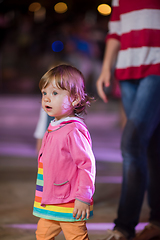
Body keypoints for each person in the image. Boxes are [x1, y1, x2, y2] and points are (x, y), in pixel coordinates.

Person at [96, 0, 160, 240]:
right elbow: (116, 31)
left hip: (156, 67)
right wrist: (106, 68)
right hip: (127, 69)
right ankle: (157, 221)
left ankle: (124, 226)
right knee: (151, 145)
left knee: (131, 143)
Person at [33, 64, 96, 240]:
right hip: (51, 201)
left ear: (75, 99)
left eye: (54, 93)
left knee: (76, 237)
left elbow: (86, 165)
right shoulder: (54, 125)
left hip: (69, 202)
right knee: (43, 235)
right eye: (44, 93)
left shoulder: (73, 130)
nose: (46, 98)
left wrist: (83, 197)